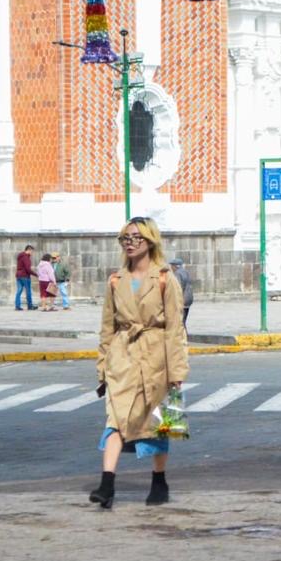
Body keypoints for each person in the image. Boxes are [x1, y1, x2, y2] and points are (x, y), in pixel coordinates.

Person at [89, 217, 189, 509]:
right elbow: (107, 327)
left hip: (157, 358)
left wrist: (177, 372)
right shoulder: (115, 280)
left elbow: (174, 328)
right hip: (123, 357)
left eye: (136, 238)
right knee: (115, 419)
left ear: (150, 241)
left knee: (160, 424)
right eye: (125, 239)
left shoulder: (165, 279)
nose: (130, 244)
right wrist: (102, 368)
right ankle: (106, 484)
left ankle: (159, 480)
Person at [169, 257, 194, 327]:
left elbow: (178, 287)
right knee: (183, 321)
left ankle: (183, 337)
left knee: (180, 323)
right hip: (188, 299)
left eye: (172, 265)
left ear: (175, 266)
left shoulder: (177, 273)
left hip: (182, 300)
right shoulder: (185, 272)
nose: (171, 268)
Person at [15, 245, 36, 311]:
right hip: (25, 276)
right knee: (28, 291)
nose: (32, 253)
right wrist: (36, 274)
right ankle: (30, 306)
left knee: (19, 291)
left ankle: (17, 306)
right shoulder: (25, 257)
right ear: (29, 250)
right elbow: (28, 269)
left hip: (19, 275)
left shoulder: (20, 256)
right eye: (32, 251)